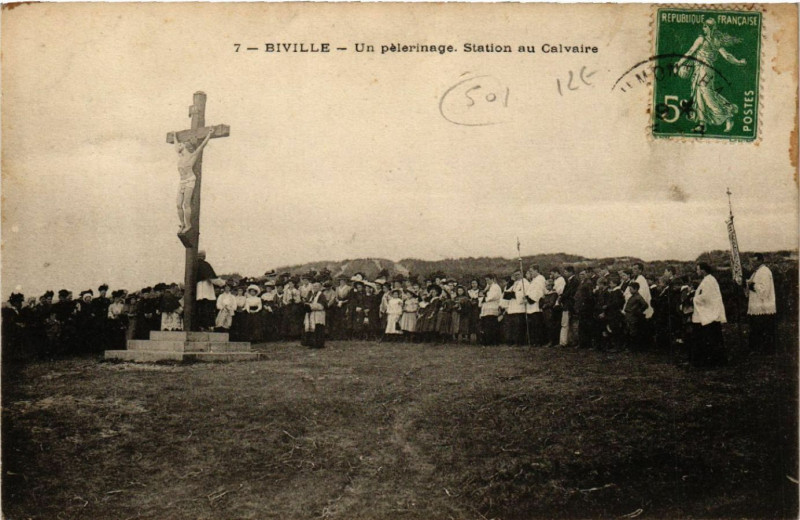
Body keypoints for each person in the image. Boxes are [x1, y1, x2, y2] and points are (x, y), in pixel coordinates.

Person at [673, 18, 748, 133]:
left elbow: (690, 52)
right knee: (699, 95)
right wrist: (738, 62)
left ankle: (727, 116)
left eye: (705, 26)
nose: (703, 28)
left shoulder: (701, 39)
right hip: (704, 70)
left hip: (704, 70)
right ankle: (702, 124)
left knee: (707, 95)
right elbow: (727, 56)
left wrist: (678, 64)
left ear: (709, 28)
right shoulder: (715, 41)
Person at [175, 129, 213, 234]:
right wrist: (174, 136)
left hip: (189, 181)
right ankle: (182, 223)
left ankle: (188, 225)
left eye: (181, 144)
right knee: (178, 204)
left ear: (185, 146)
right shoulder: (180, 155)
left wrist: (209, 134)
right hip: (182, 182)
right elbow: (175, 145)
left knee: (186, 204)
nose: (178, 146)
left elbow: (202, 146)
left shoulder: (192, 156)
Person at [691, 262, 727, 368]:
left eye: (698, 269)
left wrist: (694, 299)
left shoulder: (709, 281)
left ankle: (711, 362)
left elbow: (706, 297)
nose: (697, 272)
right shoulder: (707, 280)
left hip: (710, 315)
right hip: (709, 313)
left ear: (703, 270)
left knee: (710, 340)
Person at [746, 253, 777, 353]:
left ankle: (765, 350)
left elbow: (764, 290)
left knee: (763, 329)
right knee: (757, 328)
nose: (752, 263)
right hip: (757, 305)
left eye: (754, 261)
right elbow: (751, 283)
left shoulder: (764, 271)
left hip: (764, 306)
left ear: (760, 261)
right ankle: (758, 349)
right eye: (752, 261)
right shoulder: (757, 272)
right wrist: (745, 283)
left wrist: (751, 285)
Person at [196, 251, 221, 331]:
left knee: (199, 307)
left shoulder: (194, 264)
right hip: (206, 289)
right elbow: (211, 278)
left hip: (197, 289)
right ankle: (206, 326)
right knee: (207, 308)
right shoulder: (205, 264)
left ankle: (200, 325)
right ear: (204, 256)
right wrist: (222, 283)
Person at [623, 282, 648, 351]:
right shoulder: (633, 296)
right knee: (628, 331)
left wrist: (638, 311)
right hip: (629, 316)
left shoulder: (638, 297)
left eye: (631, 289)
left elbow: (645, 305)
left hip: (632, 317)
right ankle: (630, 347)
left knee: (633, 332)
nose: (630, 291)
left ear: (636, 289)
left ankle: (633, 348)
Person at [302, 281, 328, 348]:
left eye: (316, 286)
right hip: (310, 314)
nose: (314, 288)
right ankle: (311, 343)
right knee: (311, 328)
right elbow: (307, 301)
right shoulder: (311, 294)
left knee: (318, 329)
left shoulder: (321, 295)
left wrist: (311, 306)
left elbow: (322, 305)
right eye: (313, 286)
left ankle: (318, 344)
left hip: (318, 314)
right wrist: (306, 304)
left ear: (319, 287)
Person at [480, 274, 503, 345]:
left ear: (492, 279)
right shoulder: (488, 287)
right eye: (486, 280)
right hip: (487, 308)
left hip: (492, 308)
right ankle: (488, 340)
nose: (487, 281)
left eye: (488, 280)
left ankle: (493, 341)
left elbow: (492, 297)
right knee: (487, 325)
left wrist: (483, 297)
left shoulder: (495, 287)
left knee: (491, 325)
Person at [559, 266, 579, 346]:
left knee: (566, 323)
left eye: (566, 272)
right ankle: (568, 341)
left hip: (569, 304)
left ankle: (564, 342)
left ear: (570, 272)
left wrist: (562, 297)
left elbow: (569, 293)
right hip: (568, 304)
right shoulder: (570, 281)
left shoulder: (574, 281)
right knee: (568, 323)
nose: (564, 273)